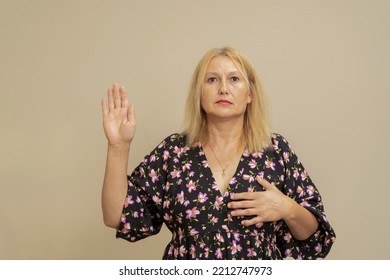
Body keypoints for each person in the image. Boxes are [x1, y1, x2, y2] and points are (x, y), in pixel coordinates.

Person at [101, 47, 336, 259]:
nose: (223, 88)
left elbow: (313, 237)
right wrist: (118, 146)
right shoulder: (173, 152)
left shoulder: (275, 151)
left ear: (250, 94)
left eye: (234, 79)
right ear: (199, 93)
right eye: (212, 79)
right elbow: (117, 216)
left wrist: (288, 208)